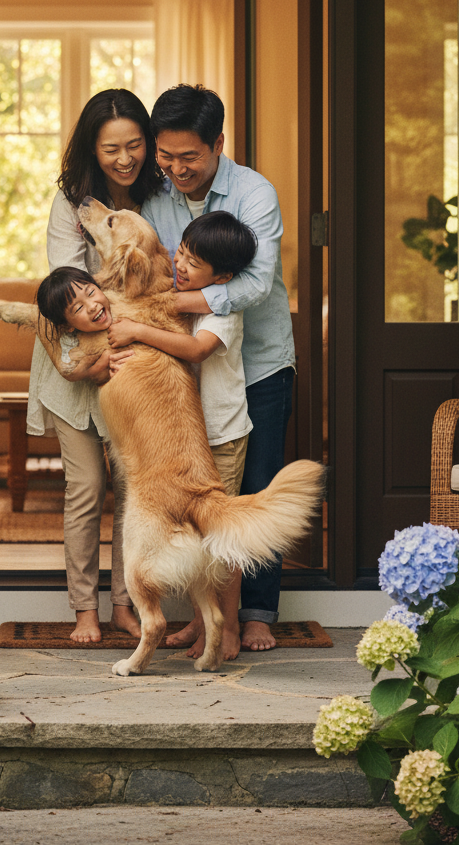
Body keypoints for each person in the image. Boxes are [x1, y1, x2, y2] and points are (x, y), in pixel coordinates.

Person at [141, 84, 296, 654]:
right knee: (204, 494)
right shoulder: (154, 194)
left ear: (218, 145)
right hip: (193, 375)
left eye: (189, 157)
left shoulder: (254, 193)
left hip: (258, 362)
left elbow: (253, 284)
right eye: (167, 156)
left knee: (256, 487)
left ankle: (256, 613)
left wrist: (169, 307)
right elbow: (155, 266)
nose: (176, 169)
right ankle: (202, 615)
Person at [26, 88, 163, 644]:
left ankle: (127, 604)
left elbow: (162, 273)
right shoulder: (71, 202)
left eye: (134, 145)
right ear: (92, 148)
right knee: (86, 490)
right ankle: (85, 609)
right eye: (112, 149)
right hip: (75, 361)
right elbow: (65, 290)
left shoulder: (160, 196)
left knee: (133, 491)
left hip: (132, 362)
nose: (125, 158)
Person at [106, 210, 257, 661]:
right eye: (182, 254)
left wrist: (136, 329)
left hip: (224, 432)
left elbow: (195, 349)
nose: (182, 266)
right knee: (192, 532)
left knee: (218, 537)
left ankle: (228, 629)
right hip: (189, 438)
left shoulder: (222, 307)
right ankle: (201, 622)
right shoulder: (182, 294)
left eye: (194, 263)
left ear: (224, 276)